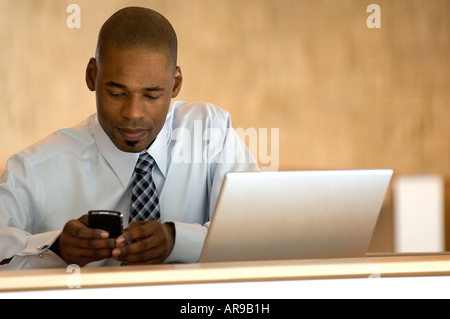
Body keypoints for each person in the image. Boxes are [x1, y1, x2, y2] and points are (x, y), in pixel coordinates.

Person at [0, 7, 259, 270]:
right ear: (92, 75)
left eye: (151, 95)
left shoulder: (210, 135)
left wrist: (177, 241)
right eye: (117, 93)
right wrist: (55, 249)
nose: (133, 113)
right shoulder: (33, 170)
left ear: (175, 84)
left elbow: (258, 234)